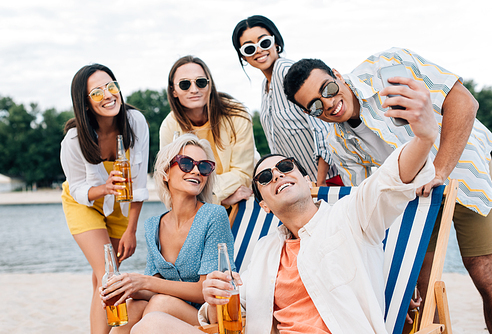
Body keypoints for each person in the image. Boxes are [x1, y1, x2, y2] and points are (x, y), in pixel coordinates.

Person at [129, 74, 439, 333]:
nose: (277, 174)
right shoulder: (265, 251)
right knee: (150, 323)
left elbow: (388, 181)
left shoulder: (352, 216)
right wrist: (212, 300)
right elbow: (231, 311)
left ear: (308, 182)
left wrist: (423, 138)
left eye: (286, 167)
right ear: (263, 204)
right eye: (264, 177)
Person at [283, 48, 492, 332]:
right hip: (416, 200)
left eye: (328, 89)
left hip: (466, 169)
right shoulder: (339, 145)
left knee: (485, 275)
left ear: (337, 75)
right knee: (421, 290)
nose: (329, 104)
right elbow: (373, 207)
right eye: (316, 106)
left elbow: (464, 103)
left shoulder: (388, 68)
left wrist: (440, 170)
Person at [100, 134, 236, 333]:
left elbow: (205, 290)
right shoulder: (153, 225)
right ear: (165, 173)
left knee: (160, 304)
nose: (197, 170)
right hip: (168, 311)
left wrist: (145, 281)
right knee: (131, 307)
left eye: (204, 166)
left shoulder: (213, 215)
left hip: (208, 316)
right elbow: (151, 288)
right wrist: (128, 287)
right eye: (187, 163)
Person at [60, 64, 149, 333]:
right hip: (84, 203)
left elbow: (140, 183)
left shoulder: (135, 122)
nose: (108, 95)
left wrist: (131, 230)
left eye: (111, 86)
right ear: (85, 103)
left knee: (100, 278)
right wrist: (103, 188)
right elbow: (77, 189)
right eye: (97, 92)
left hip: (121, 206)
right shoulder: (74, 140)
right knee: (108, 274)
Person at [231, 15, 341, 186]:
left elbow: (322, 129)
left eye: (264, 42)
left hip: (329, 180)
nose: (259, 50)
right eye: (249, 49)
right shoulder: (265, 86)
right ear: (243, 57)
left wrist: (320, 184)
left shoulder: (287, 71)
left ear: (276, 43)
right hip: (302, 185)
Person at [160, 55, 255, 207]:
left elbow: (242, 173)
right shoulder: (169, 127)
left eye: (201, 82)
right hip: (201, 205)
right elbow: (170, 180)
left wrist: (202, 193)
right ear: (173, 91)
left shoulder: (237, 115)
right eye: (185, 84)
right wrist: (217, 199)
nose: (194, 89)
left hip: (240, 202)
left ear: (210, 85)